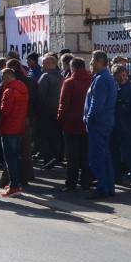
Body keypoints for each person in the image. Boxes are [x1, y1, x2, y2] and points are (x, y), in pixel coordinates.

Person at [83, 51, 117, 197]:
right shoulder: (104, 78)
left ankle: (103, 188)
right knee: (104, 156)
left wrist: (88, 120)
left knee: (97, 157)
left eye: (92, 60)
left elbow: (97, 104)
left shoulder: (102, 79)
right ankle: (108, 187)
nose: (90, 63)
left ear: (98, 61)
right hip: (104, 122)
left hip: (98, 123)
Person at [57, 57, 92, 191]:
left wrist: (60, 119)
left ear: (73, 68)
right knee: (85, 154)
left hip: (71, 123)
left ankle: (71, 183)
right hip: (86, 122)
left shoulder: (69, 82)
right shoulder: (91, 80)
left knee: (72, 156)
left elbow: (63, 104)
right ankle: (85, 182)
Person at [0, 66, 29, 195]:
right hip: (19, 126)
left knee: (10, 158)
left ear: (7, 77)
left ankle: (14, 185)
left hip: (8, 127)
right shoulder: (22, 88)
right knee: (15, 156)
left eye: (3, 78)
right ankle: (15, 183)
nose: (2, 81)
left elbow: (5, 111)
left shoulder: (9, 91)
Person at [33, 53, 64, 165]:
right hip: (58, 110)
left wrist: (37, 110)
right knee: (56, 135)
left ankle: (49, 157)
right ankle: (57, 157)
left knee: (43, 135)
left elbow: (40, 94)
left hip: (46, 111)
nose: (42, 65)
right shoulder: (61, 76)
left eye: (44, 63)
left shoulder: (45, 76)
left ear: (50, 64)